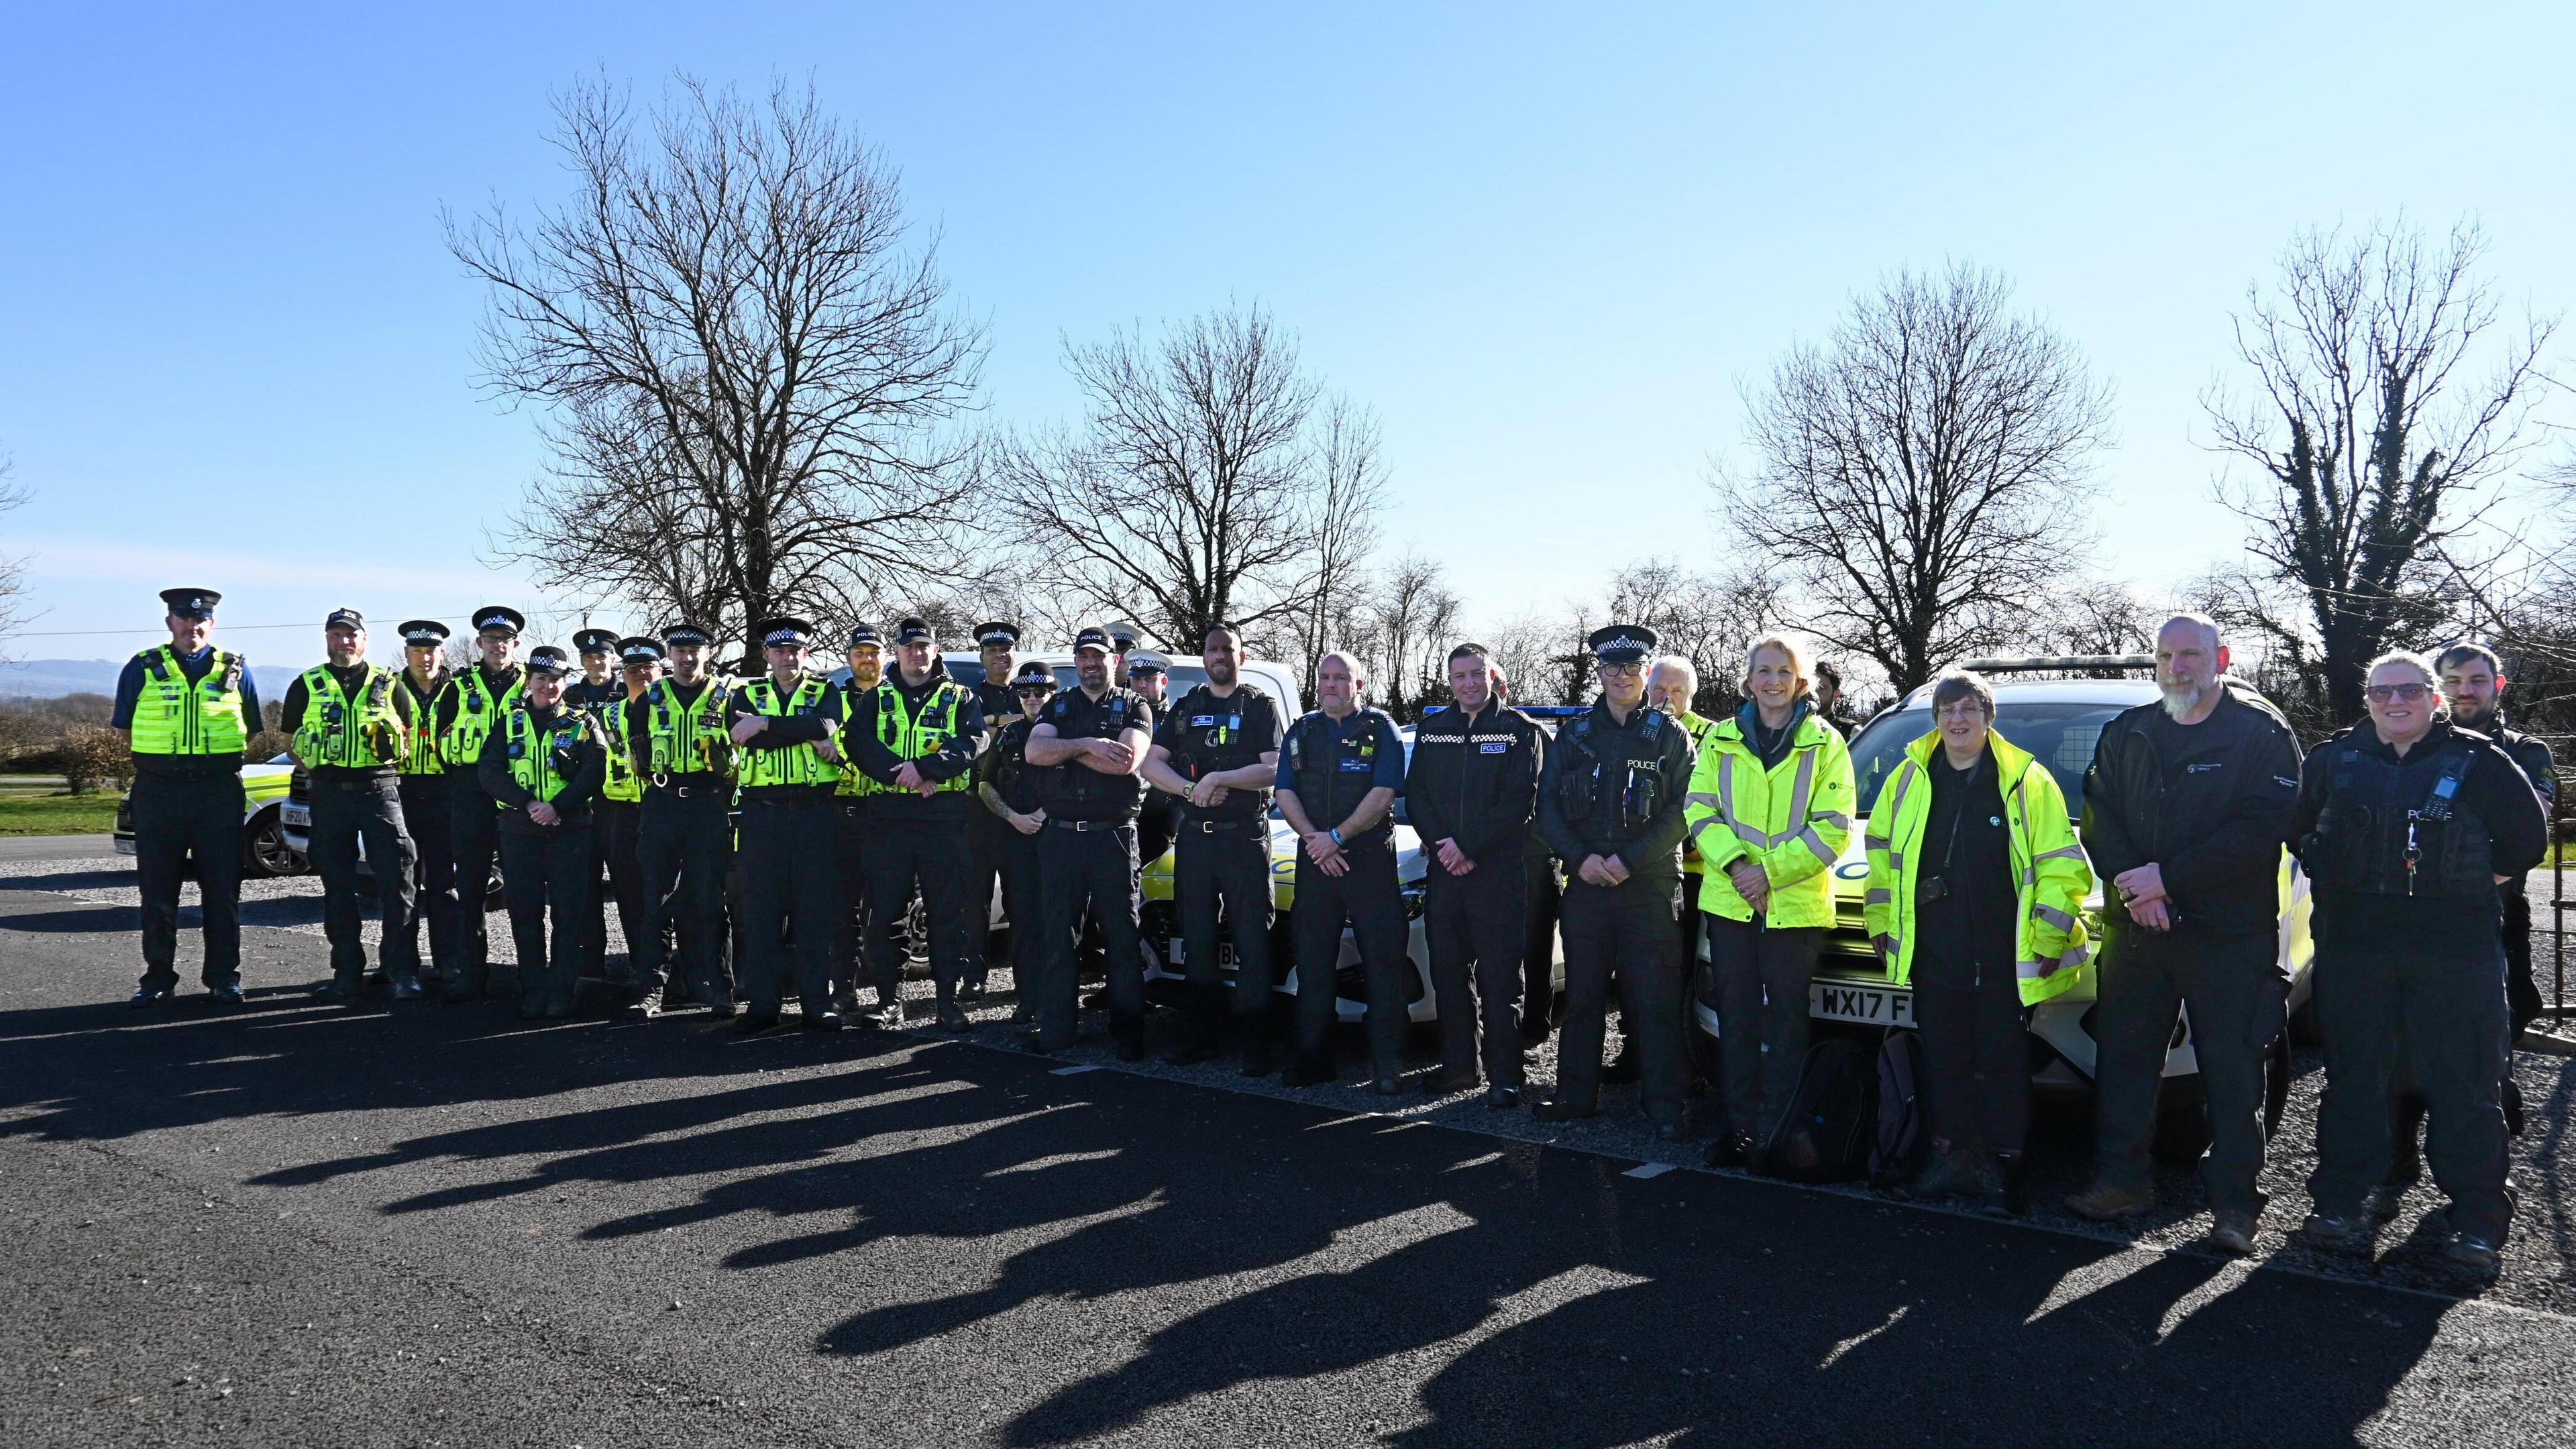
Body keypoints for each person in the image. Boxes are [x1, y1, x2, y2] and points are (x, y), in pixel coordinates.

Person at [2294, 650, 2547, 1273]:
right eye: (2382, 693)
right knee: (2355, 1080)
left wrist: (2463, 885)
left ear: (2433, 698)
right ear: (2368, 700)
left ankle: (2478, 1222)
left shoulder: (2480, 760)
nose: (2395, 702)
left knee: (2467, 1085)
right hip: (2356, 952)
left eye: (2409, 690)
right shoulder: (2333, 761)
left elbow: (2527, 840)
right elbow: (2295, 829)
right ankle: (2339, 1204)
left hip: (2454, 953)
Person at [2065, 614, 2302, 1256]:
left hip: (2228, 936)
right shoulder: (2127, 732)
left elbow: (2261, 831)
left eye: (2191, 654)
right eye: (2167, 655)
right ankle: (2120, 1184)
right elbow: (2098, 818)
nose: (2177, 666)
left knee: (2232, 1071)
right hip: (2137, 931)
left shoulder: (2260, 736)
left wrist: (2167, 879)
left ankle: (2234, 1206)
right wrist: (2131, 886)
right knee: (2125, 1063)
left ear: (2221, 658)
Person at [1863, 669, 2092, 1216]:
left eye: (1968, 709)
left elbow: (2061, 866)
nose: (1957, 720)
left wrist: (2050, 933)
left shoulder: (2026, 779)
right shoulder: (1908, 778)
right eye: (1947, 711)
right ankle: (1949, 1159)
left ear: (1989, 719)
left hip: (2004, 945)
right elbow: (1879, 858)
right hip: (1933, 942)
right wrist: (1878, 923)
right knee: (1943, 1054)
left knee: (2002, 1057)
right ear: (1936, 719)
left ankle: (2004, 1167)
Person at [1684, 633, 1856, 1165]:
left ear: (1800, 680)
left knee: (1785, 1024)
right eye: (1764, 670)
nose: (1773, 681)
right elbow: (1698, 809)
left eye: (1784, 671)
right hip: (1732, 900)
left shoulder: (1827, 743)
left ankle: (1778, 1134)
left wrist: (1768, 875)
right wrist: (1740, 868)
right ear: (1749, 679)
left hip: (1794, 907)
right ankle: (1740, 1131)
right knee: (1736, 1020)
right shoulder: (1720, 740)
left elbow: (1834, 828)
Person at [1537, 626, 1698, 1136]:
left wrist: (1628, 861)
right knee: (1583, 998)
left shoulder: (1671, 735)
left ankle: (1665, 1106)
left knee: (1653, 999)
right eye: (1613, 668)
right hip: (1586, 885)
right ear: (1601, 674)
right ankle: (1574, 1097)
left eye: (1633, 668)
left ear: (1646, 673)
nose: (1622, 676)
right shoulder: (1576, 734)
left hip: (1648, 886)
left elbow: (1685, 810)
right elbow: (1548, 808)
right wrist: (1580, 859)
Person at [1143, 623, 1288, 1071]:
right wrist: (1191, 792)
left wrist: (1221, 779)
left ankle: (1255, 1043)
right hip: (1196, 839)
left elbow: (1275, 768)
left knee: (1252, 940)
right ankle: (1200, 1036)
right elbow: (1150, 763)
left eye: (1228, 648)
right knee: (1199, 940)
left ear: (1241, 657)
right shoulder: (1187, 707)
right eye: (1212, 649)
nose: (1220, 655)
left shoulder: (1259, 707)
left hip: (1244, 837)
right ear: (1204, 657)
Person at [1406, 641, 1545, 1105]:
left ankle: (1506, 1076)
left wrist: (1465, 846)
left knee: (1502, 980)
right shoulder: (1432, 730)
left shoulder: (1517, 731)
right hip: (1446, 875)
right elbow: (1418, 795)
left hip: (1498, 874)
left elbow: (1519, 801)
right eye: (1460, 675)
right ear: (1450, 681)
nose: (1468, 683)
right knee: (1449, 975)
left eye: (1476, 674)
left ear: (1492, 676)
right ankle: (1459, 1069)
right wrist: (1447, 847)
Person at [2432, 642, 2559, 1136]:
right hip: (2423, 913)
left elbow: (2532, 826)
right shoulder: (2415, 742)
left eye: (2477, 681)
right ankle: (2402, 1149)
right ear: (2438, 687)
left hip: (2497, 909)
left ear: (2498, 685)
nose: (2465, 691)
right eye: (2453, 681)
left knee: (2501, 1016)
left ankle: (2490, 1132)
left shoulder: (2526, 752)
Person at [115, 588, 264, 1006]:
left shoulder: (235, 669)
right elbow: (125, 727)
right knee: (158, 890)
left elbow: (251, 728)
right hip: (160, 790)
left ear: (211, 624)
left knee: (222, 889)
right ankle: (158, 977)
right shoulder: (143, 667)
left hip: (217, 790)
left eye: (201, 620)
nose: (192, 625)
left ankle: (223, 977)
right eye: (183, 618)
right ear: (170, 623)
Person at [841, 616, 985, 1032]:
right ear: (899, 653)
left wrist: (925, 769)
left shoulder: (960, 696)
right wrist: (898, 773)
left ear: (935, 651)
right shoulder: (875, 698)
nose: (917, 653)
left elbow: (975, 741)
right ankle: (889, 1002)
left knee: (946, 912)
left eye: (924, 646)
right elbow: (856, 741)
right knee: (886, 913)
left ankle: (946, 1003)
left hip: (942, 817)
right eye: (909, 647)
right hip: (888, 817)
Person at [1276, 651, 1410, 1091]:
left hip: (1367, 859)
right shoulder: (1302, 731)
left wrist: (1336, 837)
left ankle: (1387, 1065)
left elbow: (1384, 792)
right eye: (1325, 678)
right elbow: (1285, 791)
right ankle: (1313, 1059)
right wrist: (1318, 840)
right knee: (1313, 965)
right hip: (1316, 861)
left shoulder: (1380, 729)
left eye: (1341, 678)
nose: (1331, 685)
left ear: (1359, 684)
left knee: (1382, 963)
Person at [1024, 626, 1157, 1057]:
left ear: (1114, 661)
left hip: (1113, 838)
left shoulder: (1135, 705)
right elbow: (1033, 753)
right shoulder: (1059, 703)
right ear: (1076, 661)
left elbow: (1126, 761)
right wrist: (1089, 744)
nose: (1091, 663)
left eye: (1099, 656)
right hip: (1061, 838)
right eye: (1084, 656)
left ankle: (1129, 1034)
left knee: (1121, 937)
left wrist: (1064, 748)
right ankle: (1058, 1030)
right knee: (1059, 937)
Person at [282, 608, 418, 1004]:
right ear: (327, 638)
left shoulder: (389, 683)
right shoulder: (306, 684)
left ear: (365, 639)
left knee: (398, 882)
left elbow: (406, 733)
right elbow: (291, 740)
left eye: (352, 635)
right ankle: (346, 973)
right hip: (329, 794)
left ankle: (402, 971)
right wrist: (321, 771)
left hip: (380, 790)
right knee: (337, 887)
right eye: (337, 634)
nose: (345, 641)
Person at [725, 616, 847, 1033]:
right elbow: (742, 736)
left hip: (814, 811)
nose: (787, 657)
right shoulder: (745, 692)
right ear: (767, 655)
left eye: (795, 650)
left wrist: (765, 724)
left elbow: (825, 724)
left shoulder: (825, 690)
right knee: (761, 911)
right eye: (779, 651)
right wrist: (795, 731)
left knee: (814, 910)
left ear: (805, 654)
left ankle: (818, 1003)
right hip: (763, 813)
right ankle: (763, 1004)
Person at [478, 645, 606, 1019]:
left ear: (566, 683)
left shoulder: (584, 724)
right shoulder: (509, 722)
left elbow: (593, 774)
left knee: (569, 914)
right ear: (530, 681)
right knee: (525, 912)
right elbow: (489, 771)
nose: (548, 686)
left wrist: (557, 807)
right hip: (521, 829)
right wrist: (529, 804)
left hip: (570, 828)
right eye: (541, 679)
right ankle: (533, 988)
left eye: (555, 679)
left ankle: (562, 991)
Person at [623, 623, 737, 1019]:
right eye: (680, 651)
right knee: (655, 899)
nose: (687, 658)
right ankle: (652, 989)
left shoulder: (727, 697)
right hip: (662, 804)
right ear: (669, 656)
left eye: (695, 651)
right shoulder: (649, 700)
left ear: (708, 653)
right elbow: (637, 755)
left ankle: (720, 987)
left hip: (708, 805)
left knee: (710, 899)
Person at [432, 606, 529, 1003]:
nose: (498, 645)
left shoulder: (532, 683)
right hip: (471, 793)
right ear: (479, 643)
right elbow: (440, 740)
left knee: (523, 888)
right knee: (470, 888)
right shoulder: (458, 687)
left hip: (518, 794)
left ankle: (530, 977)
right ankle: (471, 975)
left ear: (516, 644)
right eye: (491, 639)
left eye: (505, 640)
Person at [1640, 655, 1718, 1082]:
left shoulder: (1712, 736)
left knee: (1681, 970)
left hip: (1692, 874)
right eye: (1659, 689)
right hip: (1638, 871)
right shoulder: (1635, 729)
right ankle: (1637, 1054)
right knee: (1638, 969)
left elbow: (1705, 803)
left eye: (1677, 691)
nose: (1666, 699)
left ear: (1690, 695)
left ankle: (1684, 1064)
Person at [975, 661, 1058, 1024]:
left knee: (1058, 922)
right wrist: (1013, 817)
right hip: (1015, 840)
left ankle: (1058, 1000)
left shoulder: (1065, 732)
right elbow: (984, 784)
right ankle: (1027, 1000)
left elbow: (1079, 782)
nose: (1032, 698)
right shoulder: (1008, 735)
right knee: (1022, 923)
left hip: (1058, 839)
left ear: (1053, 694)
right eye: (1025, 692)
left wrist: (1043, 814)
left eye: (1040, 691)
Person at [390, 621, 464, 988]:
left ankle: (447, 963)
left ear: (442, 653)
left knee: (443, 884)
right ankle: (403, 967)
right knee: (401, 884)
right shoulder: (387, 688)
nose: (425, 658)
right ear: (407, 654)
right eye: (417, 651)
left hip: (445, 791)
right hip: (398, 792)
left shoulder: (461, 691)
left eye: (431, 650)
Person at [587, 637, 663, 996]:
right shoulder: (609, 714)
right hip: (620, 812)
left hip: (664, 809)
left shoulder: (672, 710)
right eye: (632, 669)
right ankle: (640, 969)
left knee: (667, 895)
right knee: (630, 894)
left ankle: (675, 972)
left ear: (659, 671)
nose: (640, 675)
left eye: (647, 668)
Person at [564, 627, 639, 983]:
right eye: (589, 658)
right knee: (584, 886)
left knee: (629, 885)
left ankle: (642, 963)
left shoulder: (627, 692)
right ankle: (589, 963)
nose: (596, 663)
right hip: (580, 803)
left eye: (603, 657)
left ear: (614, 660)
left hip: (618, 803)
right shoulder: (570, 696)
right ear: (582, 662)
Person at [830, 623, 892, 1016]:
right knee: (843, 907)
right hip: (841, 810)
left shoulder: (898, 698)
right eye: (859, 653)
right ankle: (845, 987)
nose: (867, 659)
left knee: (886, 906)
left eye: (873, 652)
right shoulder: (830, 699)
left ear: (884, 658)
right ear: (849, 658)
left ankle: (888, 995)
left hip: (887, 810)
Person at [961, 621, 1025, 996]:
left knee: (1020, 899)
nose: (1000, 657)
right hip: (978, 810)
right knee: (975, 900)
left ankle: (1022, 979)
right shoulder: (968, 697)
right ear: (982, 657)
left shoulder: (1029, 692)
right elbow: (976, 738)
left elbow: (1040, 727)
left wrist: (996, 723)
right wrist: (1005, 723)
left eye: (1006, 651)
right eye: (993, 652)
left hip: (1019, 810)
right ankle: (973, 976)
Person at [1127, 651, 1179, 873]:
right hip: (1122, 817)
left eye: (1149, 679)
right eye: (1137, 679)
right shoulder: (1120, 715)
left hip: (1159, 822)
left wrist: (1173, 827)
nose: (1141, 685)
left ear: (1164, 681)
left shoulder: (1176, 720)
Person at [1812, 661, 1853, 737]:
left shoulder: (1850, 732)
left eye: (1821, 688)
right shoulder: (1791, 728)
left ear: (1836, 695)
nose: (1813, 693)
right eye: (1810, 687)